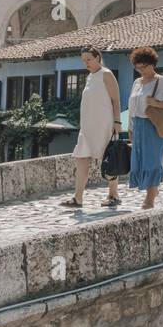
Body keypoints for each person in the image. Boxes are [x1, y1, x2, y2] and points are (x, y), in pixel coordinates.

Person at [61, 47, 122, 209]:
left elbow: (116, 100)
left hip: (104, 124)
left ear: (98, 58)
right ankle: (78, 198)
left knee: (108, 159)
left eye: (88, 59)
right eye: (83, 60)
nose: (85, 63)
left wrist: (117, 122)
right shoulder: (89, 77)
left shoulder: (106, 74)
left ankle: (113, 195)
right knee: (81, 158)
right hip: (87, 127)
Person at [127, 46, 163, 209]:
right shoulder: (137, 82)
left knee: (152, 161)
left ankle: (149, 199)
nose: (141, 70)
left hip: (154, 126)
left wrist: (156, 103)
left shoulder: (162, 81)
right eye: (138, 67)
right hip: (138, 125)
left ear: (152, 64)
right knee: (140, 161)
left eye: (144, 67)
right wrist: (130, 128)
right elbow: (132, 106)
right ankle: (152, 191)